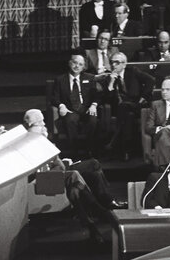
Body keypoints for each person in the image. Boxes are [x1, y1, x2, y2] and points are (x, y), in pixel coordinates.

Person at [25, 109, 123, 245]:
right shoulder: (32, 142)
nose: (43, 124)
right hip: (44, 180)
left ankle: (94, 220)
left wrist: (60, 159)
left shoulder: (41, 138)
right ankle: (99, 211)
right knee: (74, 176)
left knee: (86, 175)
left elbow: (57, 163)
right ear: (31, 125)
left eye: (43, 121)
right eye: (40, 122)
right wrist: (58, 161)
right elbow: (44, 169)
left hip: (58, 171)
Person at [98, 51, 154, 161]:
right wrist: (111, 83)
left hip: (137, 105)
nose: (113, 65)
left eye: (117, 62)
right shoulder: (107, 78)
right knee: (127, 116)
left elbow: (151, 80)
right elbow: (107, 99)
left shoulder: (133, 72)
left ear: (124, 64)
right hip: (120, 110)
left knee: (125, 108)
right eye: (112, 62)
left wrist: (143, 97)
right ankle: (127, 150)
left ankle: (115, 143)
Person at [51, 53, 99, 155]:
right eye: (75, 63)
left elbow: (96, 95)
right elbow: (54, 97)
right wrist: (61, 105)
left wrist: (93, 105)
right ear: (70, 63)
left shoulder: (90, 78)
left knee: (93, 119)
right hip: (70, 109)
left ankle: (89, 149)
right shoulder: (60, 80)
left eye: (80, 64)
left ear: (83, 67)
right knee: (70, 120)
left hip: (86, 109)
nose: (77, 66)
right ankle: (74, 151)